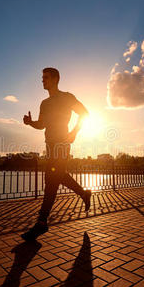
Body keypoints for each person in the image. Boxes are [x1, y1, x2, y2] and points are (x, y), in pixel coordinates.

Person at [21, 67, 92, 241]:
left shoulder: (67, 97)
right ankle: (84, 194)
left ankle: (41, 223)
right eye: (42, 77)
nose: (42, 80)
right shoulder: (44, 103)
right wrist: (31, 123)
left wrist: (74, 132)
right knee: (57, 177)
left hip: (63, 145)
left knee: (51, 182)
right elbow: (42, 125)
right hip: (50, 146)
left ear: (55, 79)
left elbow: (85, 114)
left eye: (45, 77)